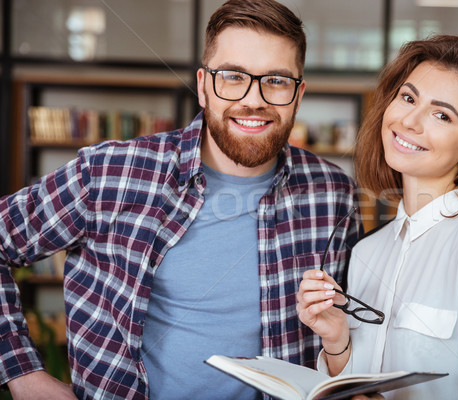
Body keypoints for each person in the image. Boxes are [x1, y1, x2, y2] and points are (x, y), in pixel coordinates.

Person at [0, 1, 362, 398]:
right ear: (204, 86)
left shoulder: (334, 196)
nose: (254, 99)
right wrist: (25, 376)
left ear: (298, 93)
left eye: (276, 80)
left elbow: (348, 333)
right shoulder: (110, 173)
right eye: (233, 76)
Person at [297, 34, 458, 399]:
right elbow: (357, 385)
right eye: (408, 97)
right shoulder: (367, 251)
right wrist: (337, 341)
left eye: (441, 114)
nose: (410, 121)